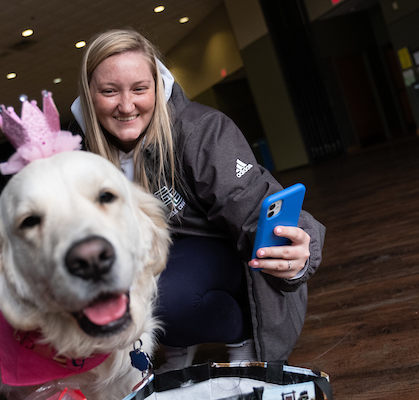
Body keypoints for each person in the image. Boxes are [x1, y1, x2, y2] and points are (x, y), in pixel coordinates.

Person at [69, 29, 325, 371]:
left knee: (161, 297)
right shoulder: (78, 153)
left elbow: (253, 201)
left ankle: (240, 333)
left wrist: (297, 247)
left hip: (220, 255)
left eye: (140, 89)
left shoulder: (201, 130)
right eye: (109, 91)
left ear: (157, 87)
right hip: (152, 262)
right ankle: (178, 336)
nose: (126, 106)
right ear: (89, 95)